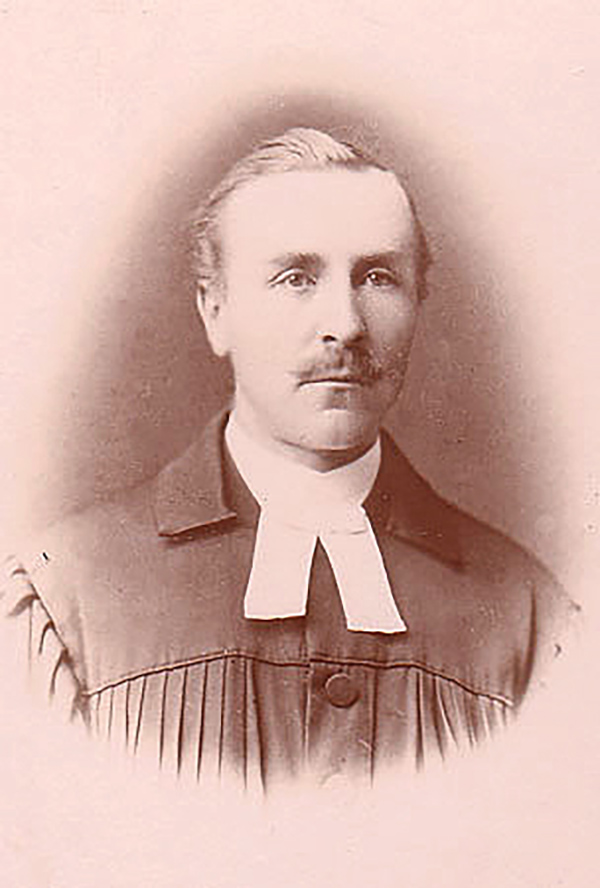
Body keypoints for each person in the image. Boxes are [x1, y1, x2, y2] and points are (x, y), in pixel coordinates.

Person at [1, 127, 571, 789]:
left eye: (378, 277)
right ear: (215, 310)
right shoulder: (63, 600)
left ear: (419, 302)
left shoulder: (534, 621)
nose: (346, 325)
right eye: (296, 278)